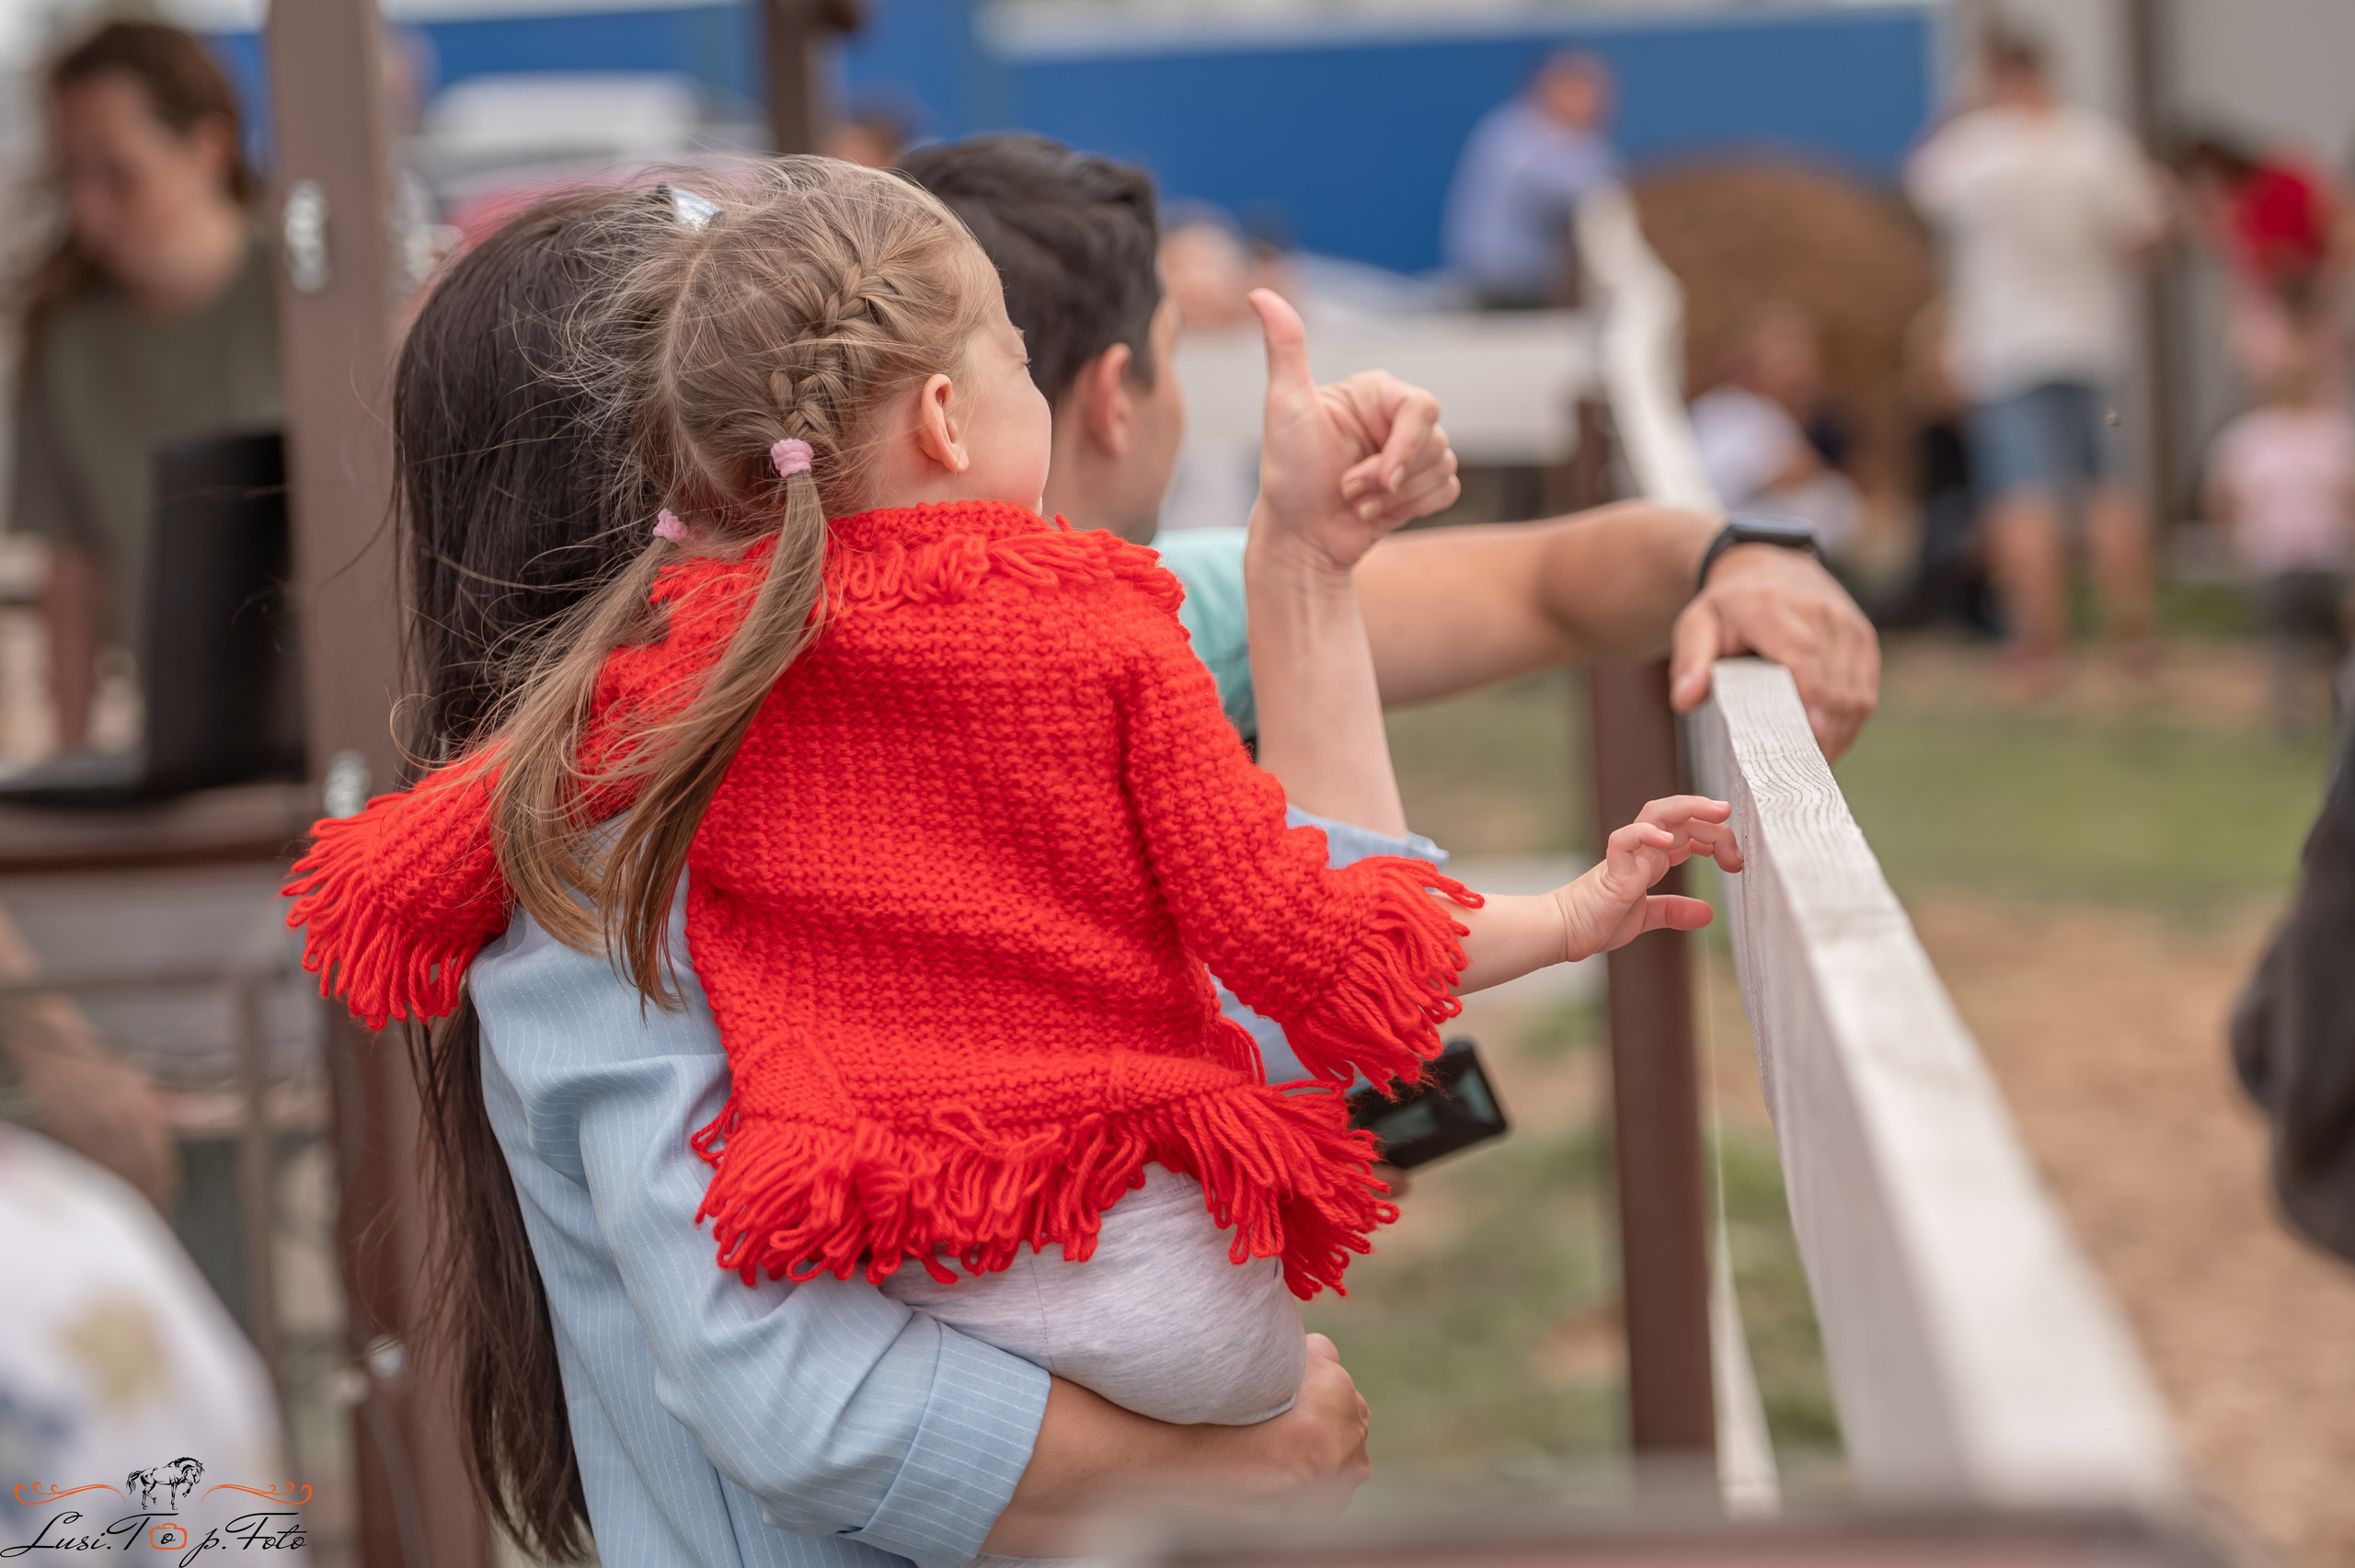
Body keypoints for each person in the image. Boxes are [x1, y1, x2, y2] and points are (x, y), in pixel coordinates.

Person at [302, 164, 1735, 1562]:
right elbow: (792, 1395)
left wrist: (1305, 568)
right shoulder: (620, 843)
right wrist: (1237, 1469)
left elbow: (1303, 1036)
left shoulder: (950, 709)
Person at [906, 135, 1879, 761]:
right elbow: (1552, 588)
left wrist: (1733, 554)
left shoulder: (787, 646)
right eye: (1179, 362)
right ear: (1117, 396)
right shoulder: (1172, 619)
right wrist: (1750, 556)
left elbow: (1556, 575)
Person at [8, 20, 281, 751]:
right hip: (176, 729)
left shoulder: (303, 297)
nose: (89, 213)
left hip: (334, 713)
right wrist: (71, 760)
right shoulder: (63, 340)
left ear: (207, 151)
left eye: (118, 174)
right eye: (73, 178)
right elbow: (71, 571)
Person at [1905, 29, 2168, 692]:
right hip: (2092, 339)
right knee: (2109, 488)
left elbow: (1917, 187)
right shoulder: (2096, 143)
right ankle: (2132, 637)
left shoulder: (1975, 150)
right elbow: (2145, 236)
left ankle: (2040, 643)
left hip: (2008, 349)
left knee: (2023, 498)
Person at [2204, 333, 2355, 736]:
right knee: (2288, 640)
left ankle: (2333, 720)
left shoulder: (2336, 432)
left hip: (2330, 560)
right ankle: (2292, 722)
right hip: (2277, 560)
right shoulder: (2249, 437)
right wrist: (2236, 544)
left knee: (2330, 642)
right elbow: (2223, 499)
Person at [1442, 50, 1620, 310]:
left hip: (1546, 291)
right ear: (1553, 88)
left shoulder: (1591, 145)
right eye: (1582, 90)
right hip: (1501, 291)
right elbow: (1582, 196)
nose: (1596, 100)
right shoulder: (1513, 135)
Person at [1688, 305, 1863, 561]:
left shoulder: (1823, 421)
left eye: (1804, 365)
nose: (1798, 377)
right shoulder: (1728, 412)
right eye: (1785, 365)